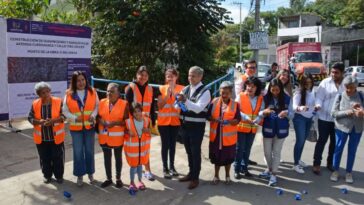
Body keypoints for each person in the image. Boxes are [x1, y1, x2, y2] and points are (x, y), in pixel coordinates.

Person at [177, 66, 211, 189]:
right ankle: (191, 173)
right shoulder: (186, 88)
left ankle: (195, 178)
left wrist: (185, 101)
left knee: (195, 152)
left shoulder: (205, 91)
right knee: (188, 151)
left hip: (197, 127)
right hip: (185, 126)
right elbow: (177, 105)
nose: (190, 78)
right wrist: (179, 102)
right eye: (189, 75)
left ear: (200, 77)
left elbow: (198, 109)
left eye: (193, 75)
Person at [63, 71, 99, 186]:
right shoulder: (68, 93)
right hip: (76, 128)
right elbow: (64, 110)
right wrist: (74, 118)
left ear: (86, 80)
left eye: (83, 79)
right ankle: (79, 175)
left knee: (89, 151)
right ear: (74, 82)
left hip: (89, 127)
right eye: (78, 80)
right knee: (78, 152)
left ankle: (90, 173)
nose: (81, 82)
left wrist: (93, 115)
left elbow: (97, 106)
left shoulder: (92, 91)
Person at [28, 82, 66, 184]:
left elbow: (64, 115)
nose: (46, 94)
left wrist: (53, 121)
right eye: (43, 93)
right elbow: (30, 118)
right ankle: (47, 175)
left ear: (50, 91)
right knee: (44, 158)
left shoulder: (58, 101)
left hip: (56, 138)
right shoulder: (35, 103)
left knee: (57, 158)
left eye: (47, 92)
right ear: (39, 94)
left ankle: (59, 176)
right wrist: (39, 122)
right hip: (42, 138)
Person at [312, 62, 345, 175]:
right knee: (322, 140)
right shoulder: (325, 82)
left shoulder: (345, 84)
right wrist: (318, 105)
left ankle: (330, 163)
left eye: (336, 73)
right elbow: (319, 98)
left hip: (339, 119)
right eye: (332, 72)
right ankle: (316, 163)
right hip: (324, 118)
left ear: (342, 73)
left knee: (334, 142)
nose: (334, 74)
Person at [330, 76, 364, 183]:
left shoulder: (361, 96)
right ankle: (335, 171)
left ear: (356, 86)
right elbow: (333, 113)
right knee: (338, 149)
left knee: (352, 151)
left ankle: (349, 173)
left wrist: (362, 112)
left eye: (351, 87)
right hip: (341, 128)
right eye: (346, 87)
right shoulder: (340, 96)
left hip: (357, 128)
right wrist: (346, 112)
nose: (348, 90)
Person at [125, 65, 156, 181]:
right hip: (134, 123)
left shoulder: (150, 88)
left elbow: (152, 105)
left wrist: (152, 121)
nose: (143, 77)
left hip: (145, 122)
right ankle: (137, 169)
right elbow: (127, 107)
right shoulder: (130, 88)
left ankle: (147, 170)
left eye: (145, 75)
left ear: (148, 77)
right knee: (136, 148)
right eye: (141, 75)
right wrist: (128, 125)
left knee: (146, 147)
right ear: (136, 75)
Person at [260, 78, 293, 186]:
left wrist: (286, 113)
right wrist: (264, 112)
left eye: (277, 90)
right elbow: (260, 112)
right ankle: (269, 169)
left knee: (277, 152)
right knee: (267, 152)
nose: (274, 93)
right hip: (268, 129)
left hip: (281, 130)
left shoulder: (287, 98)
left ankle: (273, 174)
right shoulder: (265, 98)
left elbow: (292, 114)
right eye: (272, 90)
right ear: (269, 89)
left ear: (281, 89)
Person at [208, 81, 240, 185]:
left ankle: (227, 176)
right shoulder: (214, 101)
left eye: (227, 93)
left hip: (228, 139)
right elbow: (207, 116)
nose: (224, 95)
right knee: (216, 157)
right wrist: (214, 119)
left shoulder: (235, 105)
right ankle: (216, 175)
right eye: (222, 93)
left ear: (231, 93)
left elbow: (238, 119)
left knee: (228, 158)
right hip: (216, 137)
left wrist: (230, 122)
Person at [98, 83, 128, 188]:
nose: (109, 93)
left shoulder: (124, 104)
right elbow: (98, 116)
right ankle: (108, 178)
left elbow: (126, 122)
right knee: (107, 158)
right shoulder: (102, 102)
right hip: (104, 136)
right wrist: (101, 121)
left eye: (112, 91)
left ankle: (118, 179)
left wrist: (114, 123)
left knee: (118, 158)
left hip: (117, 138)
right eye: (108, 91)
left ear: (118, 93)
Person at [234, 76, 264, 179]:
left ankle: (244, 168)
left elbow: (262, 110)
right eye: (248, 85)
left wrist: (259, 118)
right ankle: (237, 169)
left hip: (252, 128)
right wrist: (245, 117)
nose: (249, 88)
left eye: (252, 86)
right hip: (241, 127)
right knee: (239, 149)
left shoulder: (260, 98)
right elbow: (236, 110)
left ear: (257, 88)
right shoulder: (240, 96)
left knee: (247, 149)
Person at [157, 67, 184, 179]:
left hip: (175, 122)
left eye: (172, 76)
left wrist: (173, 92)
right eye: (168, 76)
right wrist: (167, 96)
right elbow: (160, 106)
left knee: (172, 145)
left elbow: (182, 105)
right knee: (165, 145)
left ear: (176, 77)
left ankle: (172, 167)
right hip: (163, 122)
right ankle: (165, 168)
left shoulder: (182, 88)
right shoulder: (161, 88)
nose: (170, 78)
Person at [234, 59, 259, 166]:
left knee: (248, 144)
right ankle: (238, 164)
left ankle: (245, 160)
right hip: (243, 116)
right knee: (240, 145)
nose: (253, 69)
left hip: (252, 118)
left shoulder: (255, 79)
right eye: (250, 67)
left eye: (254, 67)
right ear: (245, 68)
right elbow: (239, 96)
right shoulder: (242, 80)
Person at [292, 73, 316, 174]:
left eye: (310, 83)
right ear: (303, 83)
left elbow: (313, 105)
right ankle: (296, 164)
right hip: (299, 118)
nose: (308, 85)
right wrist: (300, 108)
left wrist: (315, 111)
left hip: (309, 119)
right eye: (306, 83)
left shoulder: (312, 91)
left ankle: (298, 159)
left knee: (303, 141)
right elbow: (293, 107)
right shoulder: (298, 93)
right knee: (300, 140)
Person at [124, 103, 151, 192]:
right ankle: (132, 182)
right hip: (133, 150)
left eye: (139, 111)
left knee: (140, 166)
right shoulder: (128, 122)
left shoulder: (146, 121)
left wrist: (147, 131)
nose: (137, 113)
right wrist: (128, 132)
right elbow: (124, 131)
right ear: (132, 113)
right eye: (134, 112)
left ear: (141, 111)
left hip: (142, 149)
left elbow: (150, 132)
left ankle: (140, 181)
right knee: (133, 166)